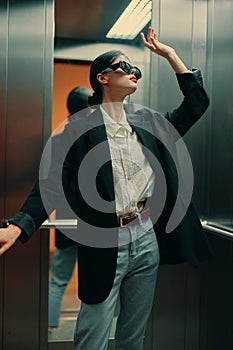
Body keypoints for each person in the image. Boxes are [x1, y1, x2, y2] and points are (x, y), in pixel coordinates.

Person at [0, 27, 212, 350]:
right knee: (92, 337)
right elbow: (52, 181)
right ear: (102, 77)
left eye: (136, 70)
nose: (133, 74)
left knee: (132, 338)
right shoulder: (78, 130)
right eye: (125, 67)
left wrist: (169, 55)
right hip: (103, 239)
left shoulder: (148, 122)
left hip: (146, 237)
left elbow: (197, 103)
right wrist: (19, 225)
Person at [48, 86, 92, 332]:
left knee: (58, 280)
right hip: (95, 223)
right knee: (96, 280)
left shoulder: (57, 141)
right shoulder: (96, 140)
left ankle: (49, 328)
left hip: (66, 221)